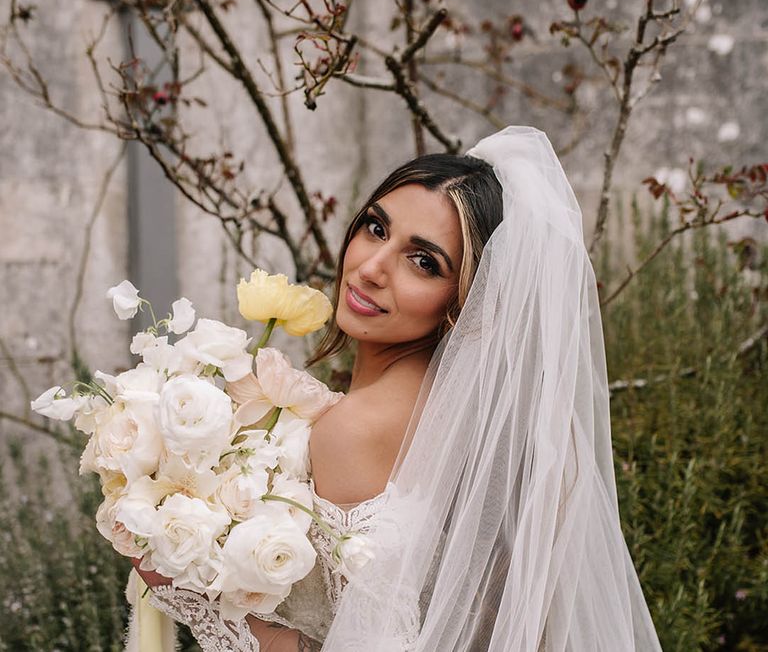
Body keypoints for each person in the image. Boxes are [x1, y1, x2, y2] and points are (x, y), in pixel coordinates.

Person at [138, 126, 662, 651]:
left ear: (467, 302)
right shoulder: (463, 414)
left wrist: (187, 585)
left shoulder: (359, 427)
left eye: (424, 261)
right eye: (375, 228)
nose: (369, 268)